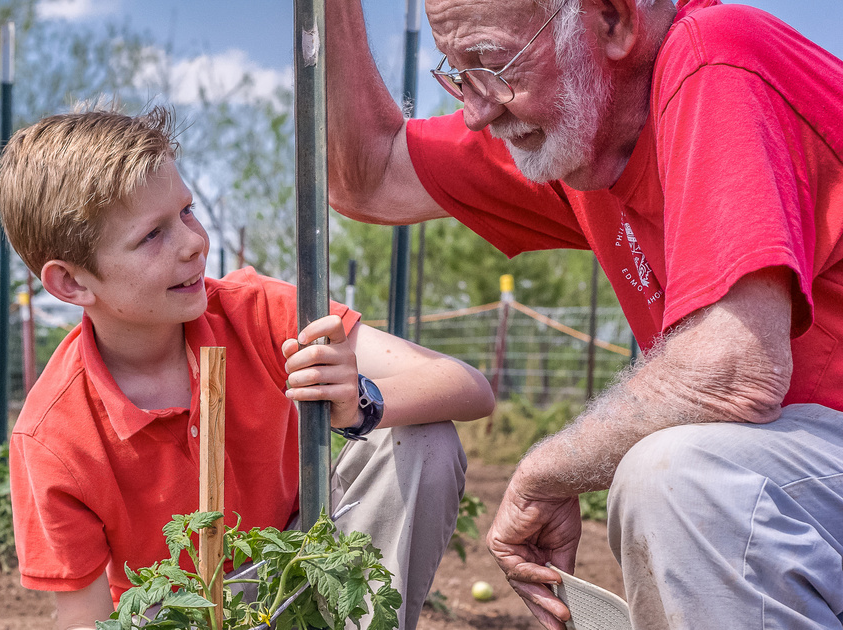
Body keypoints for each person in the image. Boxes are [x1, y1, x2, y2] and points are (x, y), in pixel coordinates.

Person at [325, 0, 843, 628]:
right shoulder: (583, 136)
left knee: (677, 480)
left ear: (613, 20)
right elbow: (369, 175)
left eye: (491, 64)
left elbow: (732, 369)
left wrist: (544, 469)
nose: (476, 110)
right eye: (458, 75)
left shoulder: (716, 57)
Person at [0, 104, 496, 630]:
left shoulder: (260, 313)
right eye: (152, 235)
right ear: (72, 284)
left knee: (422, 440)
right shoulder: (53, 437)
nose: (193, 243)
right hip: (179, 613)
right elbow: (85, 620)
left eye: (186, 212)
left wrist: (361, 402)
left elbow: (469, 387)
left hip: (294, 578)